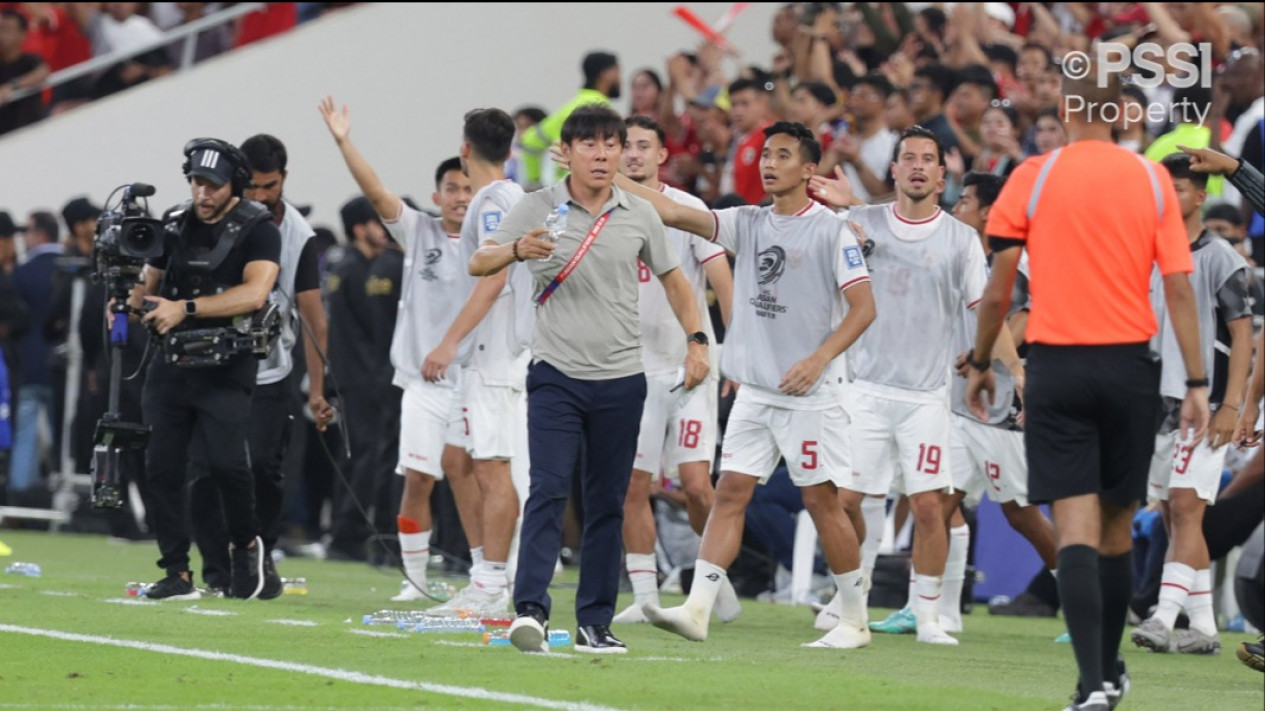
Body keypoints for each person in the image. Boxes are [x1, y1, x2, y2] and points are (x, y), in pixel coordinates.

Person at [966, 67, 1211, 711]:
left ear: (1068, 115)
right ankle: (1107, 670)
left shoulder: (1033, 176)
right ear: (1121, 118)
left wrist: (981, 358)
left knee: (1073, 529)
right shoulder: (1152, 178)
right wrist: (1195, 380)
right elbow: (1179, 287)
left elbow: (999, 286)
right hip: (1131, 368)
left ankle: (1094, 681)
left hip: (1057, 367)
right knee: (1115, 530)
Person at [616, 121, 877, 650]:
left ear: (809, 170)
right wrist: (602, 175)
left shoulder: (831, 230)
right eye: (766, 154)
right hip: (757, 391)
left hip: (809, 393)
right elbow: (671, 210)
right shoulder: (747, 221)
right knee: (730, 492)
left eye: (783, 155)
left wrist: (819, 358)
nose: (769, 163)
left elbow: (865, 308)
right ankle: (698, 608)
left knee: (823, 501)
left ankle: (854, 617)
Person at [469, 104, 709, 655]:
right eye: (590, 145)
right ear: (568, 151)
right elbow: (479, 262)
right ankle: (528, 611)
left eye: (611, 145)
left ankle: (594, 623)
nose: (602, 155)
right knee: (548, 492)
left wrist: (696, 340)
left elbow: (676, 281)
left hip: (623, 378)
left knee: (607, 502)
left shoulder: (640, 213)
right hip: (555, 373)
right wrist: (515, 249)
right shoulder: (536, 205)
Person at [813, 126, 995, 647]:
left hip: (926, 396)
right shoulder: (859, 222)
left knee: (930, 506)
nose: (917, 166)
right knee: (845, 501)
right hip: (863, 388)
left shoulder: (961, 239)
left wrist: (990, 360)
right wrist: (848, 216)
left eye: (928, 160)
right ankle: (853, 596)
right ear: (893, 170)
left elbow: (984, 309)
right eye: (907, 158)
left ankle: (930, 615)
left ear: (943, 174)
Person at [320, 97, 478, 599]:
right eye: (452, 188)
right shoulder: (419, 231)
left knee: (475, 479)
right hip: (423, 383)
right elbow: (375, 191)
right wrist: (345, 141)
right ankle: (415, 576)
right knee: (417, 477)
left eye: (468, 188)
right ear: (437, 194)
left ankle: (487, 573)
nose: (459, 196)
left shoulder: (496, 239)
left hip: (475, 380)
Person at [131, 137, 283, 600]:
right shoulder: (173, 225)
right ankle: (177, 571)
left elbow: (255, 294)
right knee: (160, 469)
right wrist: (128, 297)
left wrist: (186, 308)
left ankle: (245, 544)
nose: (203, 193)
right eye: (196, 182)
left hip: (226, 364)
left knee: (227, 465)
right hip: (171, 363)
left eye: (213, 184)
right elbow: (148, 289)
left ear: (233, 184)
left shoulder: (259, 228)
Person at [187, 133, 334, 595]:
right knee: (209, 469)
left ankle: (258, 551)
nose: (260, 197)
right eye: (252, 186)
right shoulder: (201, 219)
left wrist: (316, 388)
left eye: (269, 187)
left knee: (265, 471)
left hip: (269, 370)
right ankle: (216, 570)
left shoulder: (298, 236)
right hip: (209, 365)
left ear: (283, 181)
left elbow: (314, 320)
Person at [612, 115, 738, 625]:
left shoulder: (687, 208)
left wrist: (736, 352)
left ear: (663, 155)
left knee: (695, 485)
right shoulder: (606, 209)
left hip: (690, 364)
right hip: (629, 367)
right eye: (627, 147)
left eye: (644, 146)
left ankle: (714, 584)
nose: (634, 154)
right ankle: (645, 598)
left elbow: (722, 280)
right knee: (632, 486)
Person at [1130, 154, 1253, 656]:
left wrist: (1232, 406)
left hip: (1204, 402)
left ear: (1200, 196)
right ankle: (1203, 627)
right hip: (1153, 399)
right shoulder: (1147, 250)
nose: (1167, 197)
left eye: (1178, 189)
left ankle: (1162, 616)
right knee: (1179, 517)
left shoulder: (1221, 256)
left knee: (1184, 505)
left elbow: (1243, 336)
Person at [422, 107, 531, 613]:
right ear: (509, 150)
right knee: (459, 461)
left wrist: (450, 342)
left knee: (492, 468)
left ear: (465, 149)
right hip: (487, 353)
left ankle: (493, 584)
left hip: (495, 353)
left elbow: (495, 276)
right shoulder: (507, 196)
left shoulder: (494, 200)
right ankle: (484, 573)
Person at [9, 211, 61, 506]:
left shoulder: (23, 272)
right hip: (63, 365)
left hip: (28, 365)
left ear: (39, 233)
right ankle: (62, 496)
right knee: (64, 437)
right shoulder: (72, 269)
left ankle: (20, 498)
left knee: (25, 435)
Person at [519, 51, 622, 188]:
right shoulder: (603, 111)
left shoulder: (567, 107)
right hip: (588, 191)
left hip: (561, 191)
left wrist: (534, 181)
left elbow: (530, 141)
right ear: (606, 74)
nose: (620, 79)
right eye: (617, 72)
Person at [723, 78, 773, 206]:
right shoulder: (735, 140)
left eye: (745, 104)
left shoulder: (770, 136)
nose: (738, 111)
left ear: (761, 104)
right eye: (734, 105)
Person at [0, 8, 50, 136]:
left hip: (31, 133)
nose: (2, 35)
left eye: (8, 30)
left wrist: (13, 86)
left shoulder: (30, 61)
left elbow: (43, 72)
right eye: (1, 29)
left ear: (22, 35)